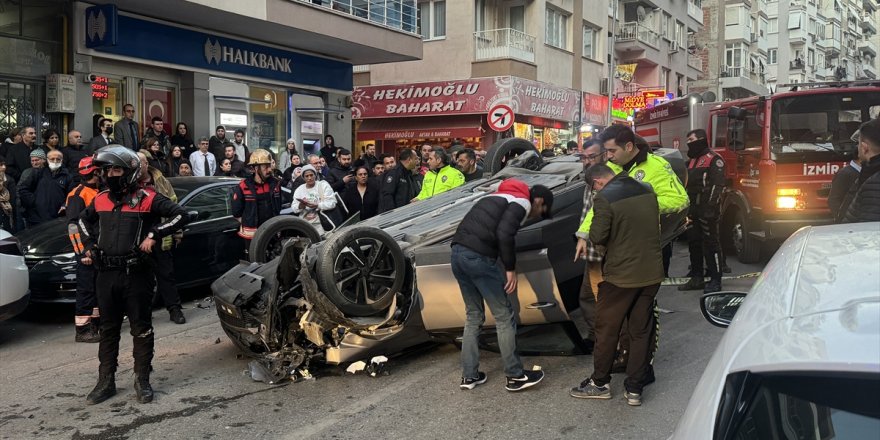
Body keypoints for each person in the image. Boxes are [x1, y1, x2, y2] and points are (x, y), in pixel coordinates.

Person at [77, 146, 188, 405]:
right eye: (106, 170)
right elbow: (81, 221)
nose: (110, 174)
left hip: (137, 274)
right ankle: (105, 381)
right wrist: (89, 245)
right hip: (106, 274)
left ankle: (142, 379)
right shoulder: (101, 198)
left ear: (130, 171)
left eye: (116, 169)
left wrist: (155, 234)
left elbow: (181, 214)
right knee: (108, 330)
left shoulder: (148, 197)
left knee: (141, 328)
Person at [569, 164, 663, 407]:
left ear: (597, 183)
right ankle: (634, 388)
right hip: (651, 273)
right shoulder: (647, 188)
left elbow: (598, 235)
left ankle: (599, 383)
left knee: (606, 329)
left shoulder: (605, 198)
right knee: (640, 331)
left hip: (620, 276)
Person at [450, 179, 552, 391]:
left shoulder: (495, 196)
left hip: (457, 254)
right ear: (539, 200)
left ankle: (469, 376)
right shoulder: (522, 201)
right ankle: (515, 376)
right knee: (504, 316)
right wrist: (510, 268)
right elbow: (505, 233)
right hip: (478, 258)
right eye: (542, 210)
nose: (538, 215)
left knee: (473, 316)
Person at [137, 152, 185, 324]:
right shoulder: (130, 182)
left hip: (161, 235)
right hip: (139, 238)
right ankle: (142, 313)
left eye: (141, 162)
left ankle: (175, 310)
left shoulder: (160, 180)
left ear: (147, 164)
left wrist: (177, 232)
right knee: (141, 279)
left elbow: (175, 206)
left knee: (167, 275)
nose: (138, 165)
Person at [678, 129, 725, 293]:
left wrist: (709, 208)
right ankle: (696, 277)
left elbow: (717, 186)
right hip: (692, 210)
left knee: (711, 244)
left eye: (691, 139)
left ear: (701, 139)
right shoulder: (691, 162)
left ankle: (716, 279)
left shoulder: (714, 159)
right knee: (694, 243)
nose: (688, 143)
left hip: (707, 210)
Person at [573, 140, 607, 353]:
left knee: (598, 299)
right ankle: (597, 338)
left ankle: (606, 343)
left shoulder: (605, 181)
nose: (586, 161)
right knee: (588, 297)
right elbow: (588, 213)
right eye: (584, 157)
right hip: (592, 250)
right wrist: (583, 238)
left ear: (604, 155)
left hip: (603, 252)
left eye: (591, 157)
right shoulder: (589, 179)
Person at [66, 157, 101, 343]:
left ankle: (95, 325)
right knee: (86, 290)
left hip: (97, 248)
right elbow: (73, 226)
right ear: (94, 173)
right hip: (87, 251)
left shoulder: (97, 191)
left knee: (97, 289)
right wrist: (82, 252)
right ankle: (83, 330)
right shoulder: (78, 194)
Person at [230, 149, 283, 241]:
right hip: (252, 236)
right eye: (265, 167)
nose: (269, 170)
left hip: (272, 232)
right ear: (256, 168)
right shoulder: (243, 186)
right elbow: (236, 212)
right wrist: (249, 222)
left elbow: (278, 206)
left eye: (269, 166)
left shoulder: (276, 184)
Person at [18, 149, 74, 227]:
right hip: (37, 218)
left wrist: (64, 205)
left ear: (62, 160)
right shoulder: (38, 173)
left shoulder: (67, 176)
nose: (55, 161)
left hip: (57, 218)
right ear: (47, 160)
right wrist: (34, 202)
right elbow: (23, 189)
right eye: (52, 159)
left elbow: (71, 194)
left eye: (58, 159)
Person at [840, 118, 880, 223]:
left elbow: (867, 232)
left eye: (858, 144)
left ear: (864, 148)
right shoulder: (869, 173)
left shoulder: (873, 183)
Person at [292, 164, 336, 234]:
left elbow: (332, 203)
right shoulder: (299, 190)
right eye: (306, 176)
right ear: (303, 177)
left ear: (315, 175)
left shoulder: (323, 185)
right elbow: (294, 208)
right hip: (306, 226)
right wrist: (300, 206)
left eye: (311, 175)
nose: (309, 178)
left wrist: (318, 205)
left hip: (323, 225)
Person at [379, 148, 418, 213]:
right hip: (396, 215)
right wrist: (392, 214)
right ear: (409, 160)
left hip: (405, 212)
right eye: (415, 159)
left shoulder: (408, 174)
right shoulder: (395, 173)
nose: (417, 161)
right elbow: (387, 195)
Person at [0, 155, 22, 233]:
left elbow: (13, 201)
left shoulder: (9, 180)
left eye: (4, 164)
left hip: (7, 216)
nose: (3, 167)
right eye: (0, 165)